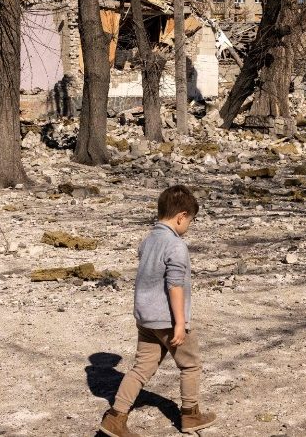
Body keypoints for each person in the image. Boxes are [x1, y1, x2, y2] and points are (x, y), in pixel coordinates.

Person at [98, 186, 217, 436]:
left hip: (145, 318)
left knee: (141, 368)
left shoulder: (148, 240)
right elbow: (174, 286)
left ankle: (115, 417)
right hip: (167, 318)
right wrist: (180, 323)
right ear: (181, 216)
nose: (189, 226)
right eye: (190, 221)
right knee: (190, 364)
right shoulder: (175, 245)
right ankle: (190, 416)